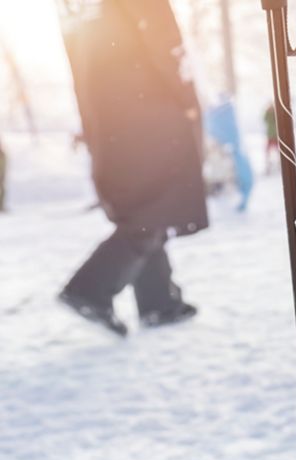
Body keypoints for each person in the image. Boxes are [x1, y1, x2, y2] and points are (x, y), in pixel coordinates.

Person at [58, 0, 206, 337]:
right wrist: (186, 101)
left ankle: (159, 303)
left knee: (146, 202)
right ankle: (89, 290)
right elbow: (164, 40)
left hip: (107, 114)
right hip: (148, 108)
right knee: (154, 204)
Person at [263, 103, 279, 174]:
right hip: (270, 136)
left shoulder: (275, 114)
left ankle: (279, 164)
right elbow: (264, 119)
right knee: (267, 152)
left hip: (275, 136)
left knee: (278, 151)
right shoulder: (268, 114)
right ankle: (268, 166)